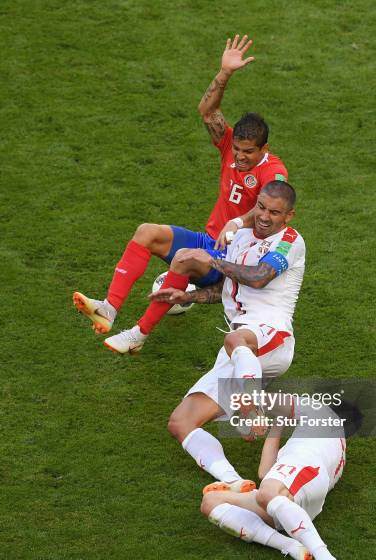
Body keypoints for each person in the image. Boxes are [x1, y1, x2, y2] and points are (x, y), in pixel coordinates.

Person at [73, 34, 288, 353]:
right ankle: (108, 308)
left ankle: (138, 335)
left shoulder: (274, 172)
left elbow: (270, 209)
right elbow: (207, 111)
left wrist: (238, 223)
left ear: (264, 149)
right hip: (211, 242)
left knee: (185, 260)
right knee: (147, 232)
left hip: (235, 264)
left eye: (249, 152)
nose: (240, 157)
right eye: (238, 150)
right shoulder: (229, 147)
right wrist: (224, 72)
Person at [162, 181, 305, 501]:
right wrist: (186, 295)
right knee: (181, 422)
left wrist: (210, 259)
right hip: (240, 350)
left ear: (289, 215)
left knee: (234, 338)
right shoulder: (240, 238)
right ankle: (234, 482)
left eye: (275, 212)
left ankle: (251, 407)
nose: (266, 217)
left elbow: (259, 276)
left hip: (273, 335)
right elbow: (229, 289)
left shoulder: (291, 242)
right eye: (262, 208)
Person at [200, 401, 350, 560]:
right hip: (293, 498)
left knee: (266, 493)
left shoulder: (320, 411)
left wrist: (249, 408)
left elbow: (267, 400)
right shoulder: (325, 442)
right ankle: (292, 546)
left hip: (304, 468)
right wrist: (279, 422)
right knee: (210, 502)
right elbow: (264, 472)